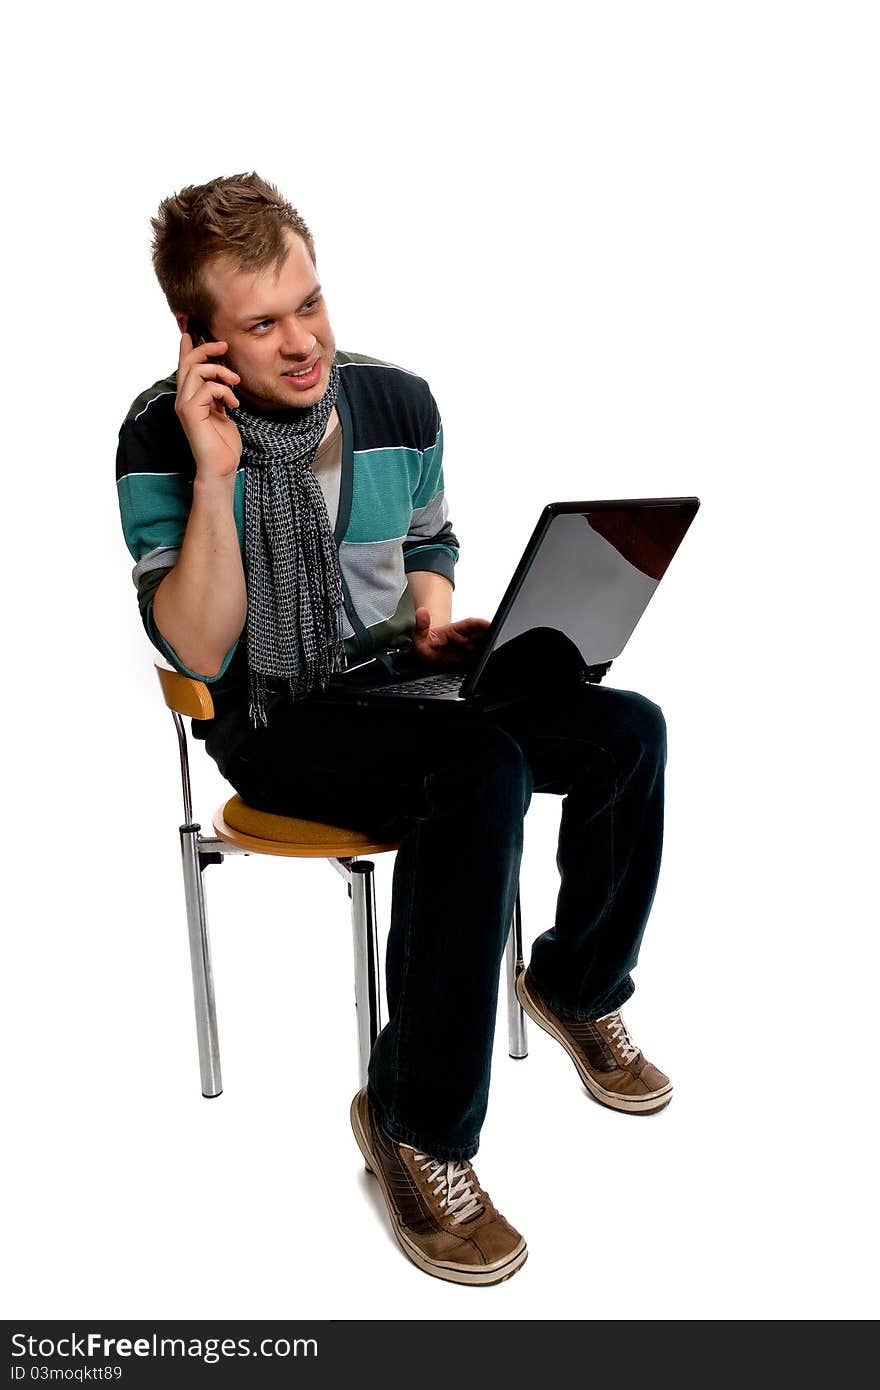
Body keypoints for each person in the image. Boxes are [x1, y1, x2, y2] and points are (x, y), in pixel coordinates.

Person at [116, 172, 671, 1287]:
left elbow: (432, 535)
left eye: (309, 303)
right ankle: (415, 1125)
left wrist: (429, 613)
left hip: (400, 695)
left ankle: (574, 984)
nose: (301, 341)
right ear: (197, 336)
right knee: (480, 768)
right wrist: (219, 477)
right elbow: (196, 644)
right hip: (270, 715)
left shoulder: (399, 402)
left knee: (626, 729)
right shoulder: (156, 437)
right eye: (262, 323)